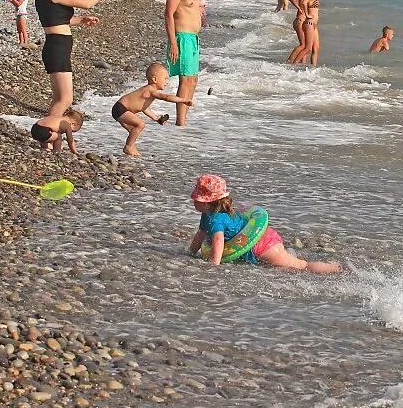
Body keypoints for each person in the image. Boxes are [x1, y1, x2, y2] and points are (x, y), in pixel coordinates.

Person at [186, 174, 341, 274]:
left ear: (206, 203)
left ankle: (337, 269)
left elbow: (218, 243)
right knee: (288, 266)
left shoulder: (215, 220)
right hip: (261, 240)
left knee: (302, 266)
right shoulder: (208, 214)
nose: (193, 201)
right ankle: (333, 268)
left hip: (262, 245)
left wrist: (212, 267)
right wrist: (190, 253)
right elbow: (200, 235)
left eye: (196, 199)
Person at [35, 0, 108, 129]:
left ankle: (49, 137)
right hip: (57, 47)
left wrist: (80, 20)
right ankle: (45, 131)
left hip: (55, 45)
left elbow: (56, 20)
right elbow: (87, 3)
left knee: (59, 99)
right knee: (66, 99)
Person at [111, 62, 194, 156]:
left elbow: (144, 108)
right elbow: (166, 97)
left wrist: (156, 118)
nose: (167, 81)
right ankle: (128, 147)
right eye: (165, 79)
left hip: (120, 109)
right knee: (140, 124)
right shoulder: (150, 90)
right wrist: (183, 100)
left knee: (133, 129)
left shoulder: (148, 92)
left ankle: (131, 146)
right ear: (155, 79)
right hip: (121, 109)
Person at [165, 0, 207, 126]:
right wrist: (173, 43)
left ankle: (184, 120)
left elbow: (191, 8)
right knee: (186, 79)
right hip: (182, 37)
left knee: (193, 80)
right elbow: (168, 13)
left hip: (193, 38)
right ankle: (180, 123)